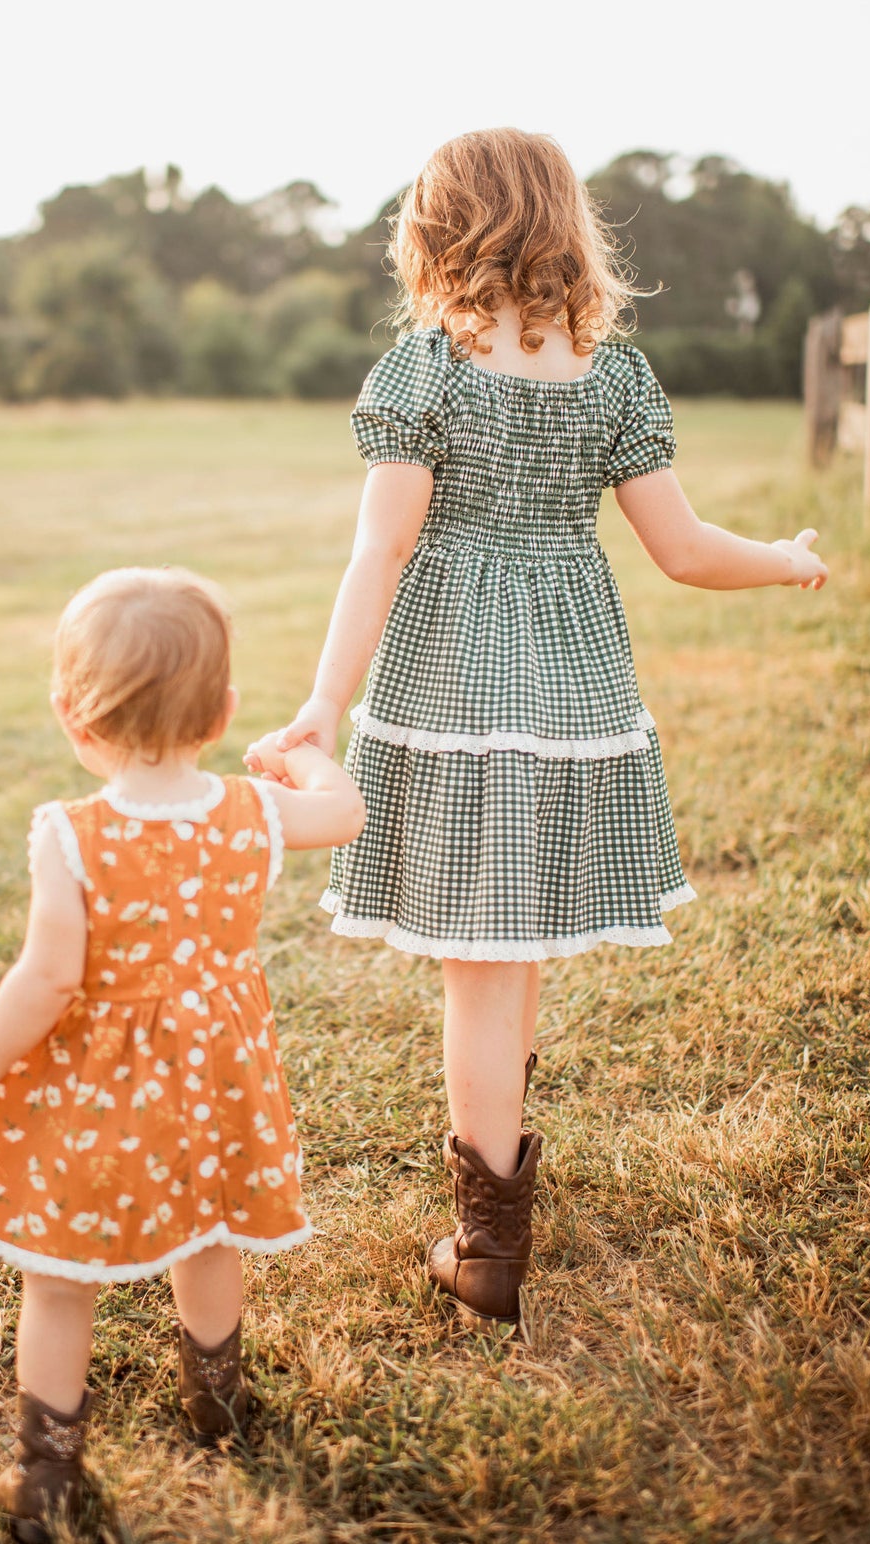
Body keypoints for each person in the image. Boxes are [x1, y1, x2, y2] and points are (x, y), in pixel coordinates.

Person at [245, 127, 828, 1337]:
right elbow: (681, 550)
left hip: (454, 691)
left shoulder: (429, 368)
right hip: (571, 699)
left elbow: (384, 548)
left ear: (436, 230)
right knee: (509, 963)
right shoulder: (611, 376)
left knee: (482, 974)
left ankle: (486, 1248)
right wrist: (782, 560)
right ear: (566, 224)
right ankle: (492, 1214)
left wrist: (323, 702)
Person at [0, 566, 364, 1542]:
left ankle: (47, 1470)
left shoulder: (71, 837)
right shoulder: (253, 812)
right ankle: (217, 1400)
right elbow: (347, 813)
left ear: (72, 721)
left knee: (58, 1271)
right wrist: (301, 758)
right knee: (208, 1229)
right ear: (225, 710)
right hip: (215, 1079)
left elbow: (46, 982)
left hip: (96, 1092)